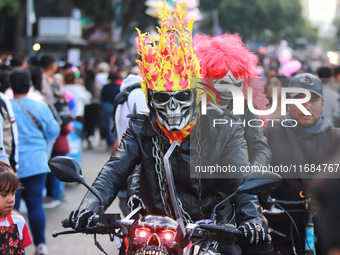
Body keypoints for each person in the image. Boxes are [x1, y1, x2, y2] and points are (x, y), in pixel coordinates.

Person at [67, 7, 272, 255]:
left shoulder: (224, 128)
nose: (172, 106)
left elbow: (240, 178)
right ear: (151, 100)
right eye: (163, 98)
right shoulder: (140, 127)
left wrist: (252, 218)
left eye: (182, 96)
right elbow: (114, 170)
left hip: (211, 233)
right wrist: (90, 205)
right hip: (153, 234)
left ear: (196, 95)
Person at [263, 73, 340, 254]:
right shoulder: (270, 133)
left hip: (326, 229)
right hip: (281, 229)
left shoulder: (335, 138)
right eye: (299, 99)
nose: (306, 106)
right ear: (289, 103)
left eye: (313, 100)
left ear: (322, 104)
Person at [194, 33, 271, 168]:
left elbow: (259, 147)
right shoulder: (195, 108)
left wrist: (253, 173)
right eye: (224, 83)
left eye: (236, 84)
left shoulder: (246, 108)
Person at [10, 69, 60, 255]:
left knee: (10, 208)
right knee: (35, 204)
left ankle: (12, 245)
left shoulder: (6, 106)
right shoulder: (40, 106)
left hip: (10, 166)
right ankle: (40, 245)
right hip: (36, 162)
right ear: (30, 85)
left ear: (10, 86)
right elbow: (54, 130)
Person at [0, 161, 33, 254]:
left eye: (13, 193)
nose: (11, 199)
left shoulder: (18, 221)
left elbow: (21, 249)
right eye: (4, 194)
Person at [101, 72, 120, 150]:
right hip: (116, 106)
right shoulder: (118, 87)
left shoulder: (105, 87)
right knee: (116, 124)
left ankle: (110, 143)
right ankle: (116, 141)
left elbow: (102, 97)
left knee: (108, 125)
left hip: (107, 106)